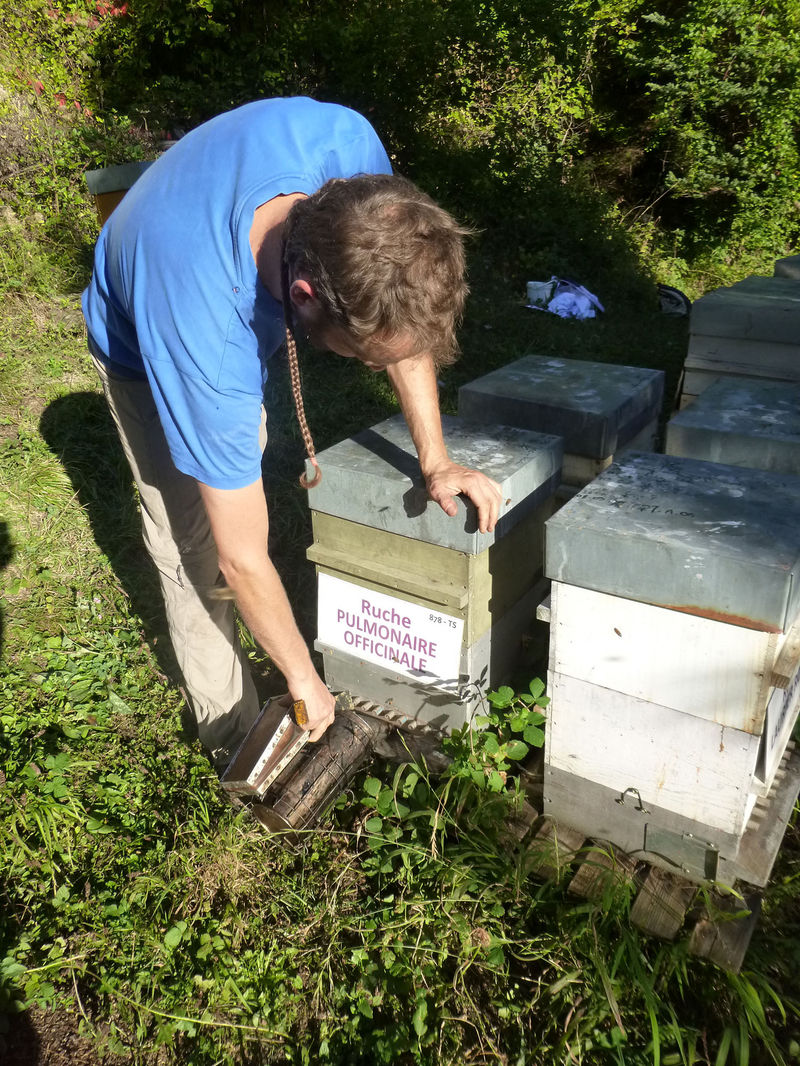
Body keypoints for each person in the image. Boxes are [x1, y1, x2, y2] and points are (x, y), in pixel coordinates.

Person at [82, 96, 502, 768]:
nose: (374, 368)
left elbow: (402, 314)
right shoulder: (204, 338)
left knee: (233, 467)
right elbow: (240, 559)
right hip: (142, 329)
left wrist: (436, 459)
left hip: (210, 253)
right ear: (303, 295)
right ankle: (232, 734)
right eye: (364, 357)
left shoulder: (358, 166)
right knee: (193, 542)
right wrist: (304, 678)